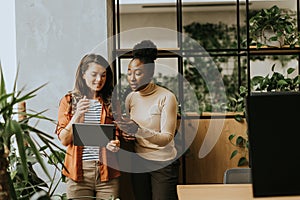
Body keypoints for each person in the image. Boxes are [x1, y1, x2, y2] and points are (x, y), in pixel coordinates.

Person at [115, 40, 180, 200]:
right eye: (129, 72)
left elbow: (166, 138)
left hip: (163, 163)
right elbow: (133, 130)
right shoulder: (130, 98)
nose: (132, 78)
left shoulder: (166, 97)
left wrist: (138, 130)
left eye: (138, 73)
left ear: (150, 74)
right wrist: (128, 134)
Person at [55, 53, 121, 200]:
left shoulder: (111, 102)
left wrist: (115, 143)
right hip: (78, 173)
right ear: (83, 74)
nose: (99, 80)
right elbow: (64, 140)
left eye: (103, 75)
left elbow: (116, 134)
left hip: (107, 173)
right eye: (94, 74)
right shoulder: (69, 101)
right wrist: (77, 114)